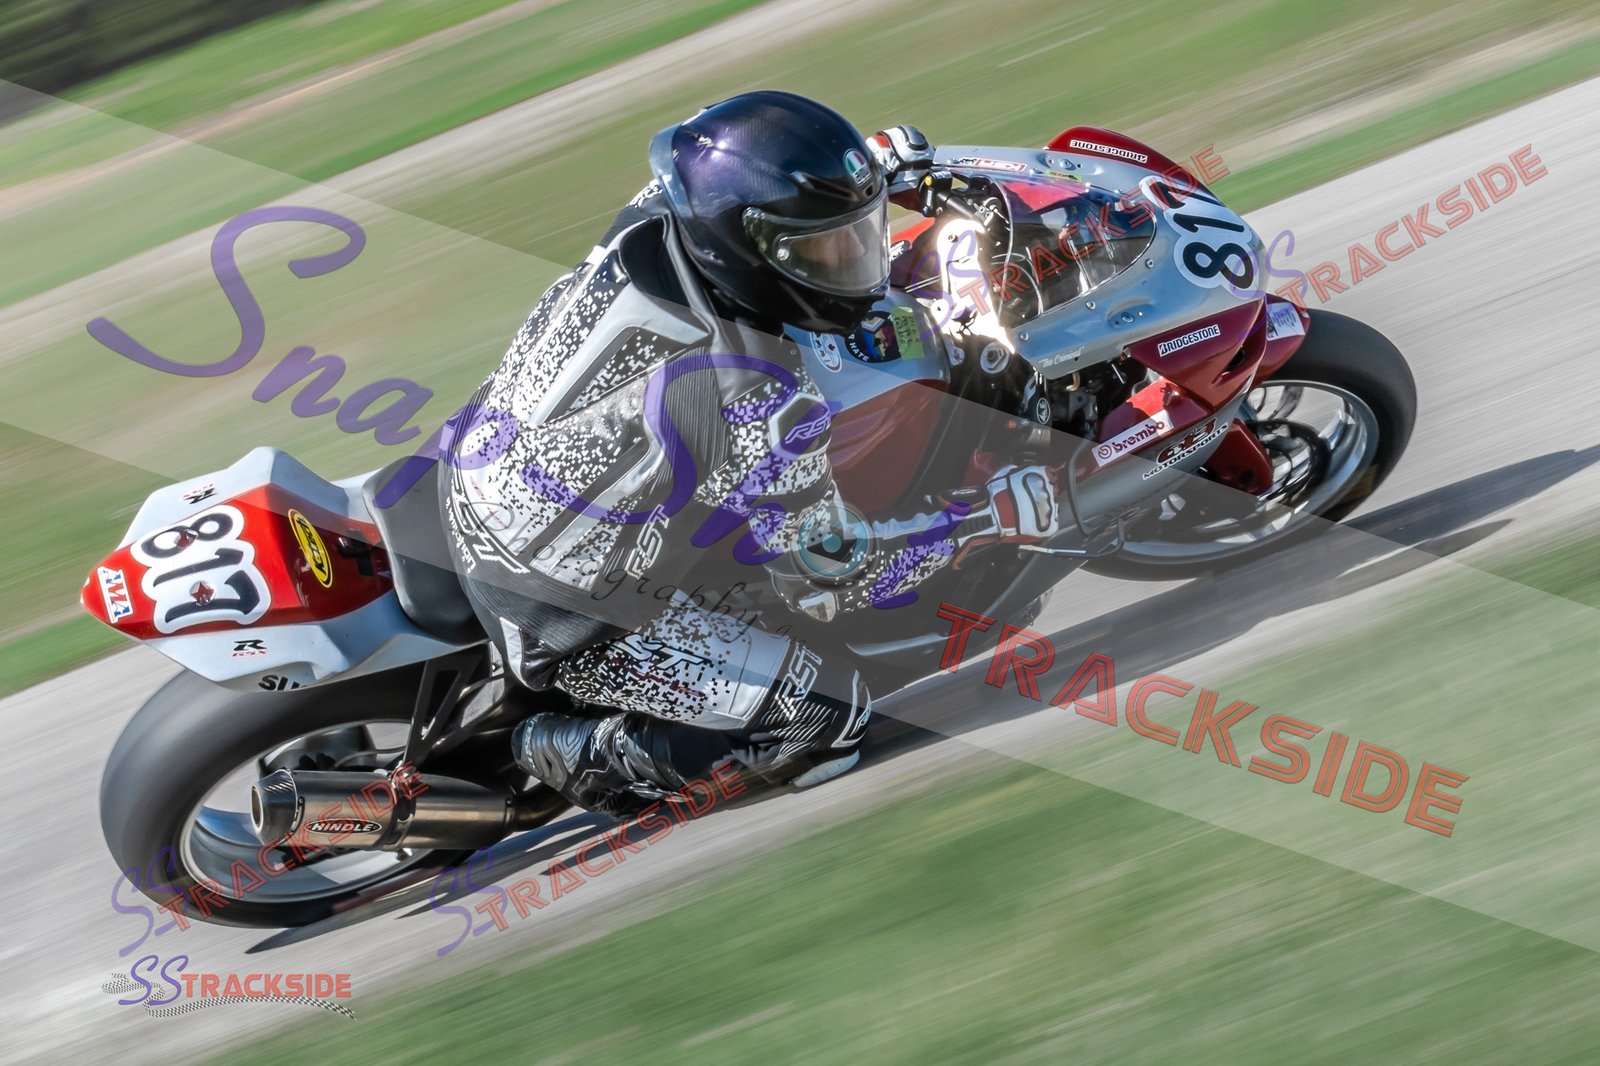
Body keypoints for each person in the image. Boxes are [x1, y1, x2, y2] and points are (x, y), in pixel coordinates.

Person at [440, 90, 1067, 817]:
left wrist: (859, 180)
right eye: (826, 250)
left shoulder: (665, 210)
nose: (857, 263)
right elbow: (830, 576)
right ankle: (576, 751)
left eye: (858, 234)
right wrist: (983, 519)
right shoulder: (757, 398)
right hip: (565, 607)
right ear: (745, 249)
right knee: (827, 718)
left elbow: (750, 184)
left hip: (490, 453)